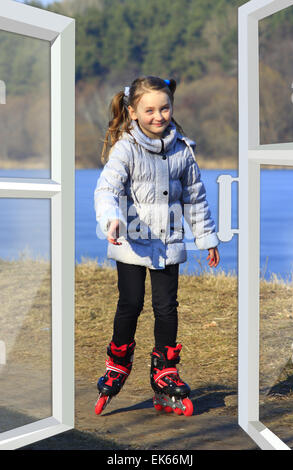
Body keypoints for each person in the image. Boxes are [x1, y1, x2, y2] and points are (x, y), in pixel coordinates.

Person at [94, 76, 220, 415]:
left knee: (167, 307)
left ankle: (164, 369)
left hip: (168, 244)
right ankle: (118, 359)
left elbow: (196, 198)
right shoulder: (126, 148)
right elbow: (107, 189)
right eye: (149, 110)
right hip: (131, 243)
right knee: (130, 303)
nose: (158, 116)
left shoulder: (183, 150)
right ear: (133, 112)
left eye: (164, 108)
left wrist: (207, 238)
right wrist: (111, 219)